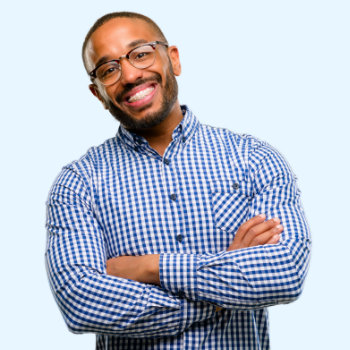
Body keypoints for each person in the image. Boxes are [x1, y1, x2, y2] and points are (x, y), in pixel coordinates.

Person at [45, 11, 311, 349]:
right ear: (98, 93)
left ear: (173, 60)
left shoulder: (254, 159)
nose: (128, 74)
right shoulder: (77, 183)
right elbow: (80, 302)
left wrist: (149, 268)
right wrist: (222, 292)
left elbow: (285, 273)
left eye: (140, 53)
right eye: (109, 70)